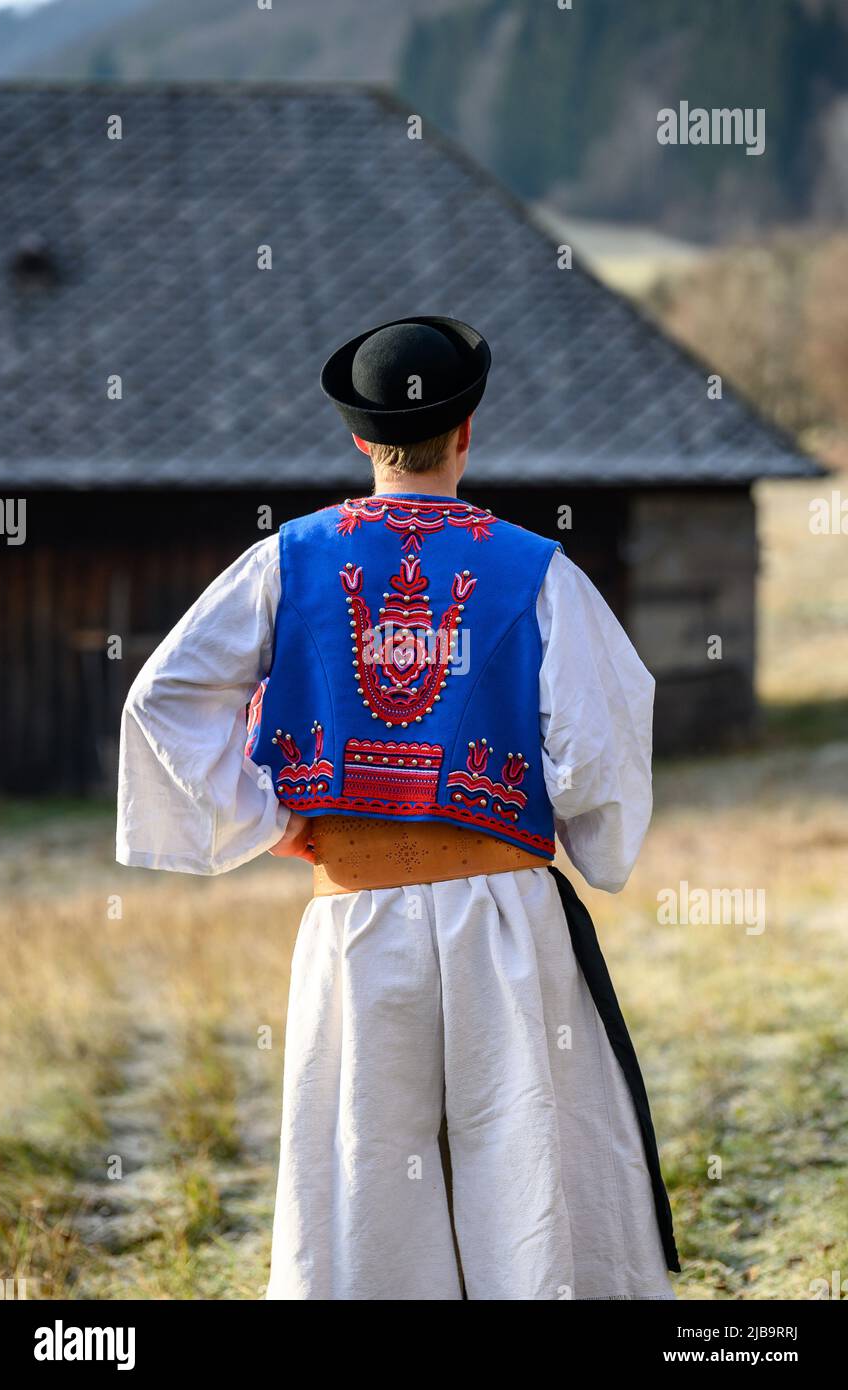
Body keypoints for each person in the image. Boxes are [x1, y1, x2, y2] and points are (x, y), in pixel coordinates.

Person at [116, 315, 680, 1301]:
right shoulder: (538, 571)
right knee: (525, 1188)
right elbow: (597, 749)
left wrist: (271, 815)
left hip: (354, 921)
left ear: (358, 441)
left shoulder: (286, 562)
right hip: (505, 915)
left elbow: (163, 699)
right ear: (467, 432)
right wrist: (592, 839)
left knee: (364, 1202)